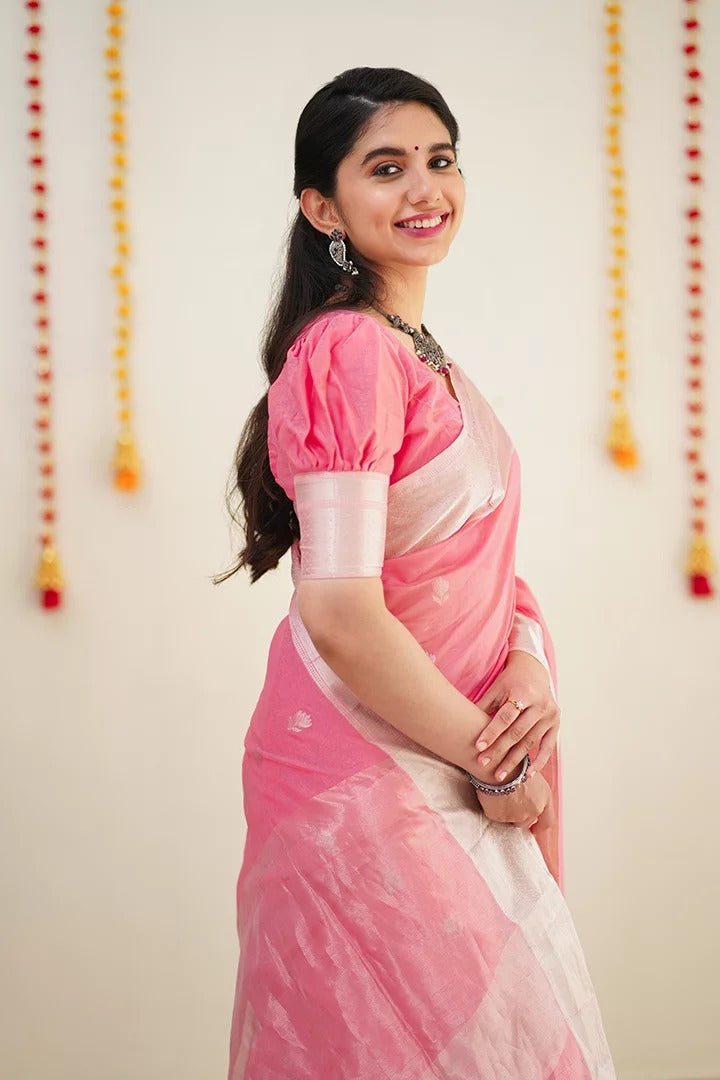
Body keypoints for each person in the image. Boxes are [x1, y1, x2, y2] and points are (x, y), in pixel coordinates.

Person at [216, 66, 616, 1079]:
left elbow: (481, 571)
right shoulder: (349, 352)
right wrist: (499, 762)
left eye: (441, 160)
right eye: (386, 168)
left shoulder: (423, 356)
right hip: (366, 782)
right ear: (323, 207)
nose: (425, 188)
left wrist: (526, 661)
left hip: (448, 753)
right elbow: (342, 613)